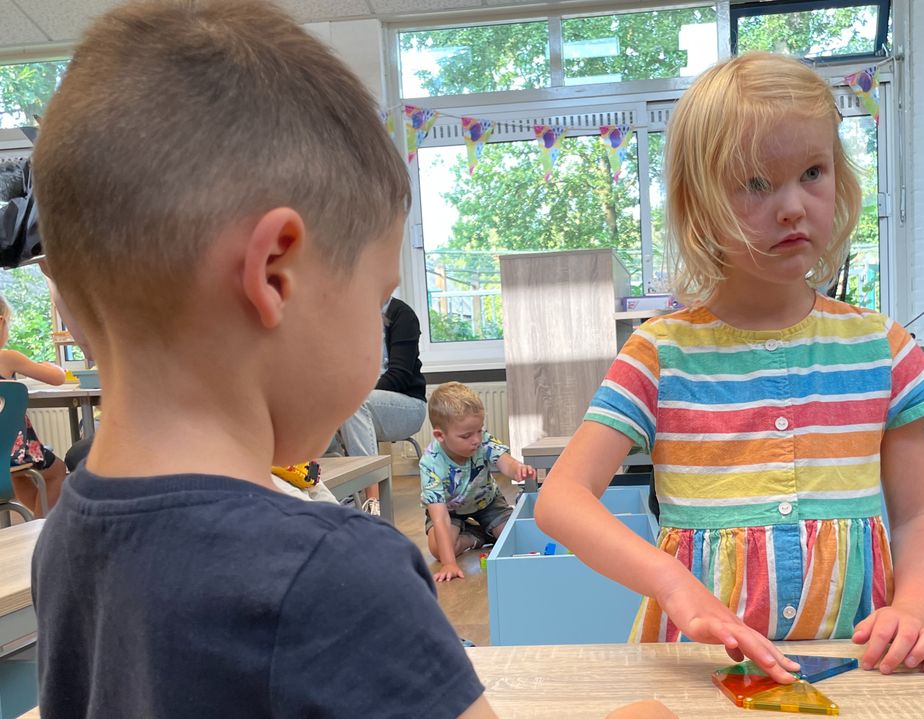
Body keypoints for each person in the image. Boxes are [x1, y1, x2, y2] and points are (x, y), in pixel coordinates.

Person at [29, 2, 672, 717]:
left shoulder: (63, 538)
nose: (380, 328)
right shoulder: (336, 573)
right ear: (275, 275)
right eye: (378, 297)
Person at [535, 52, 924, 685]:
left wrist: (917, 607)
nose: (792, 206)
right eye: (756, 183)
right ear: (699, 205)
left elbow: (920, 515)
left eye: (813, 172)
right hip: (695, 669)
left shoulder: (883, 348)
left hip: (858, 667)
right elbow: (561, 500)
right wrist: (673, 586)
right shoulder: (659, 352)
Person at [422, 381, 536, 582]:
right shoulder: (430, 463)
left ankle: (490, 529)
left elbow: (504, 462)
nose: (475, 439)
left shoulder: (482, 439)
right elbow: (439, 518)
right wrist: (449, 563)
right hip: (450, 511)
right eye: (466, 435)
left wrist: (517, 469)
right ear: (440, 435)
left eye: (479, 430)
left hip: (487, 503)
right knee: (440, 549)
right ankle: (478, 536)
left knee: (514, 536)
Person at [333, 296, 428, 516]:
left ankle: (371, 502)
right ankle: (340, 492)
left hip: (407, 405)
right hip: (360, 407)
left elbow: (399, 376)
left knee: (355, 403)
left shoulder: (401, 314)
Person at [0, 293, 68, 516]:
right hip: (11, 451)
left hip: (7, 459)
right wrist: (54, 367)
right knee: (56, 470)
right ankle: (41, 527)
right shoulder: (7, 357)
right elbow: (58, 378)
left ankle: (37, 522)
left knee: (19, 475)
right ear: (1, 322)